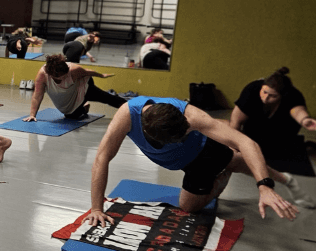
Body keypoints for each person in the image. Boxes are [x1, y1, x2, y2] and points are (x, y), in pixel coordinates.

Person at [83, 96, 300, 229]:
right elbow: (102, 158)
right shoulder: (127, 116)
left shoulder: (192, 117)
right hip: (182, 160)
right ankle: (238, 162)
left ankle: (229, 167)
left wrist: (264, 186)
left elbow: (246, 142)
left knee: (189, 207)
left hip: (204, 155)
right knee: (238, 160)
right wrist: (96, 208)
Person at [229, 67, 316, 207]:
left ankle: (289, 182)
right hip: (253, 134)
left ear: (282, 96)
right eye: (264, 92)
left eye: (272, 96)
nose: (266, 98)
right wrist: (232, 146)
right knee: (241, 158)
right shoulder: (252, 90)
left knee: (274, 162)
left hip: (280, 137)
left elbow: (297, 110)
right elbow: (235, 121)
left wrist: (305, 120)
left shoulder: (292, 95)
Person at [22, 54, 125, 121]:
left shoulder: (73, 69)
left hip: (83, 87)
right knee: (70, 116)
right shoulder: (42, 75)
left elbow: (87, 72)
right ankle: (84, 105)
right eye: (62, 76)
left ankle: (131, 108)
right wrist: (32, 115)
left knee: (106, 98)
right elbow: (37, 96)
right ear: (52, 75)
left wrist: (101, 75)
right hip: (71, 93)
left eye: (65, 74)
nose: (64, 77)